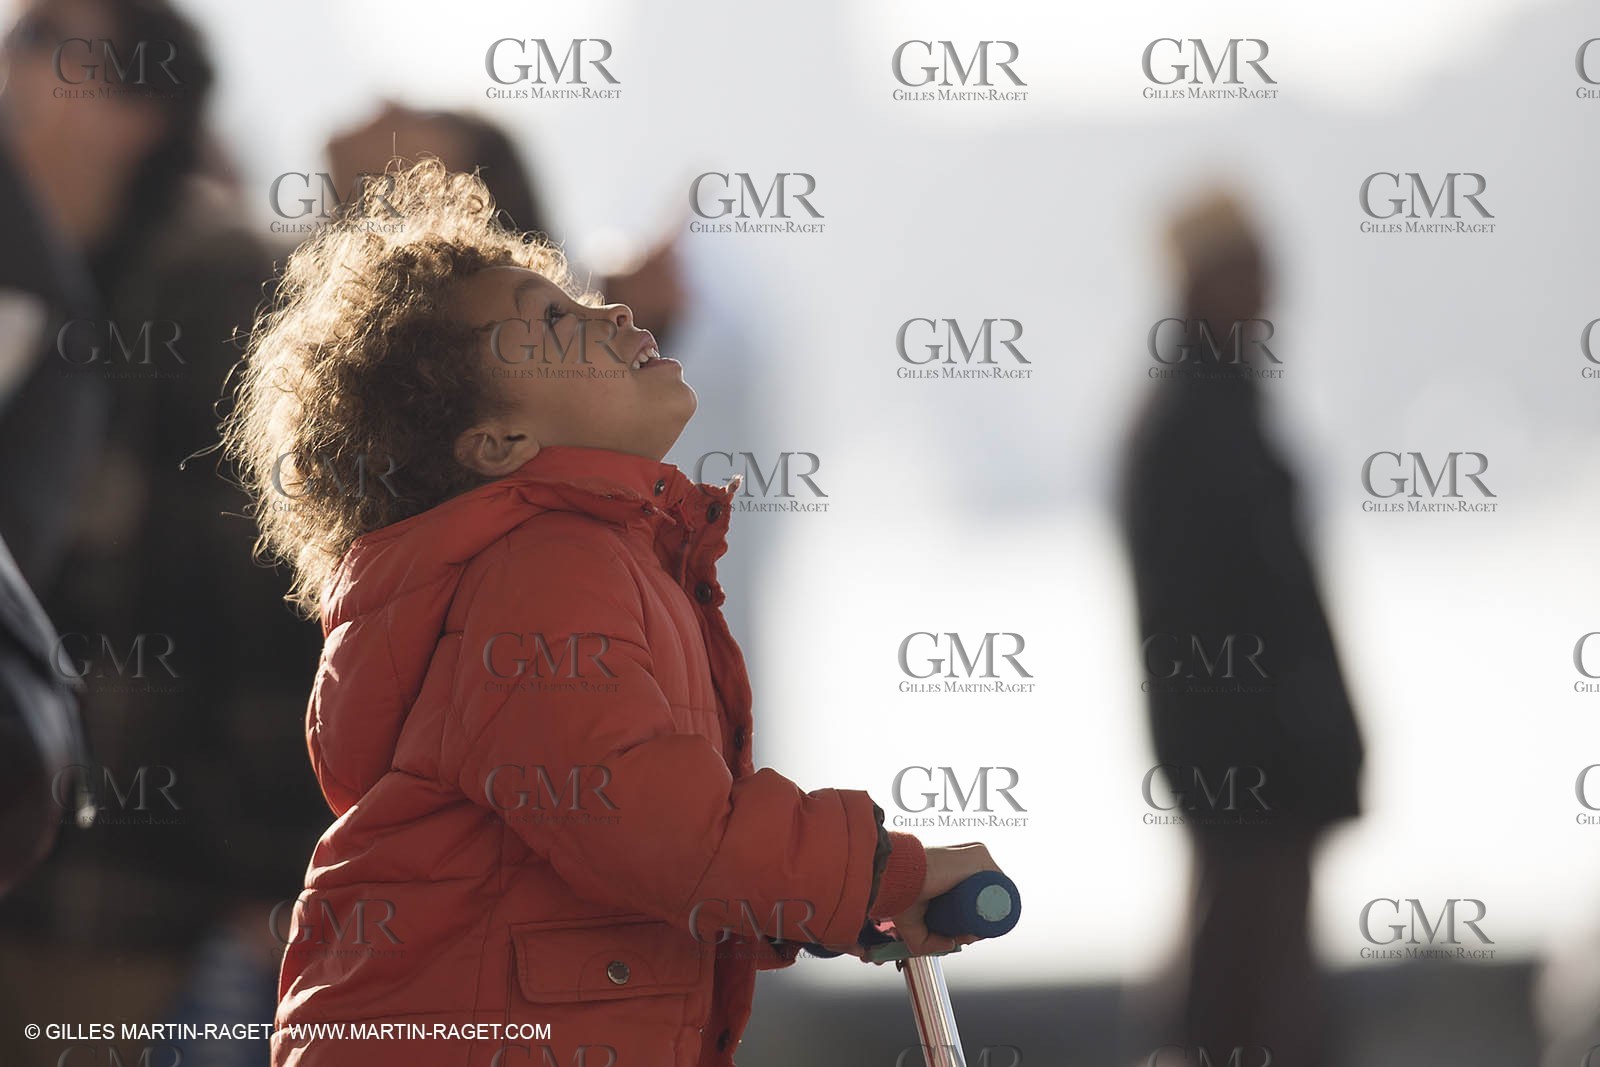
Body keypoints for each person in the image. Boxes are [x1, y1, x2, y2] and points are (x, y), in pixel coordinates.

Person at [221, 159, 1004, 1067]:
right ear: (499, 441)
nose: (611, 311)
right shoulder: (542, 568)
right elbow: (652, 823)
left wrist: (806, 905)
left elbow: (610, 859)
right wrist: (879, 873)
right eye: (556, 320)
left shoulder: (593, 555)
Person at [1118, 189, 1363, 1066]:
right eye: (1249, 268)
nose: (1268, 290)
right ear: (1204, 281)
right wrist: (1283, 746)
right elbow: (1218, 609)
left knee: (1249, 969)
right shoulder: (1196, 422)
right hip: (1248, 756)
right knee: (1246, 983)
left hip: (1258, 755)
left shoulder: (1214, 410)